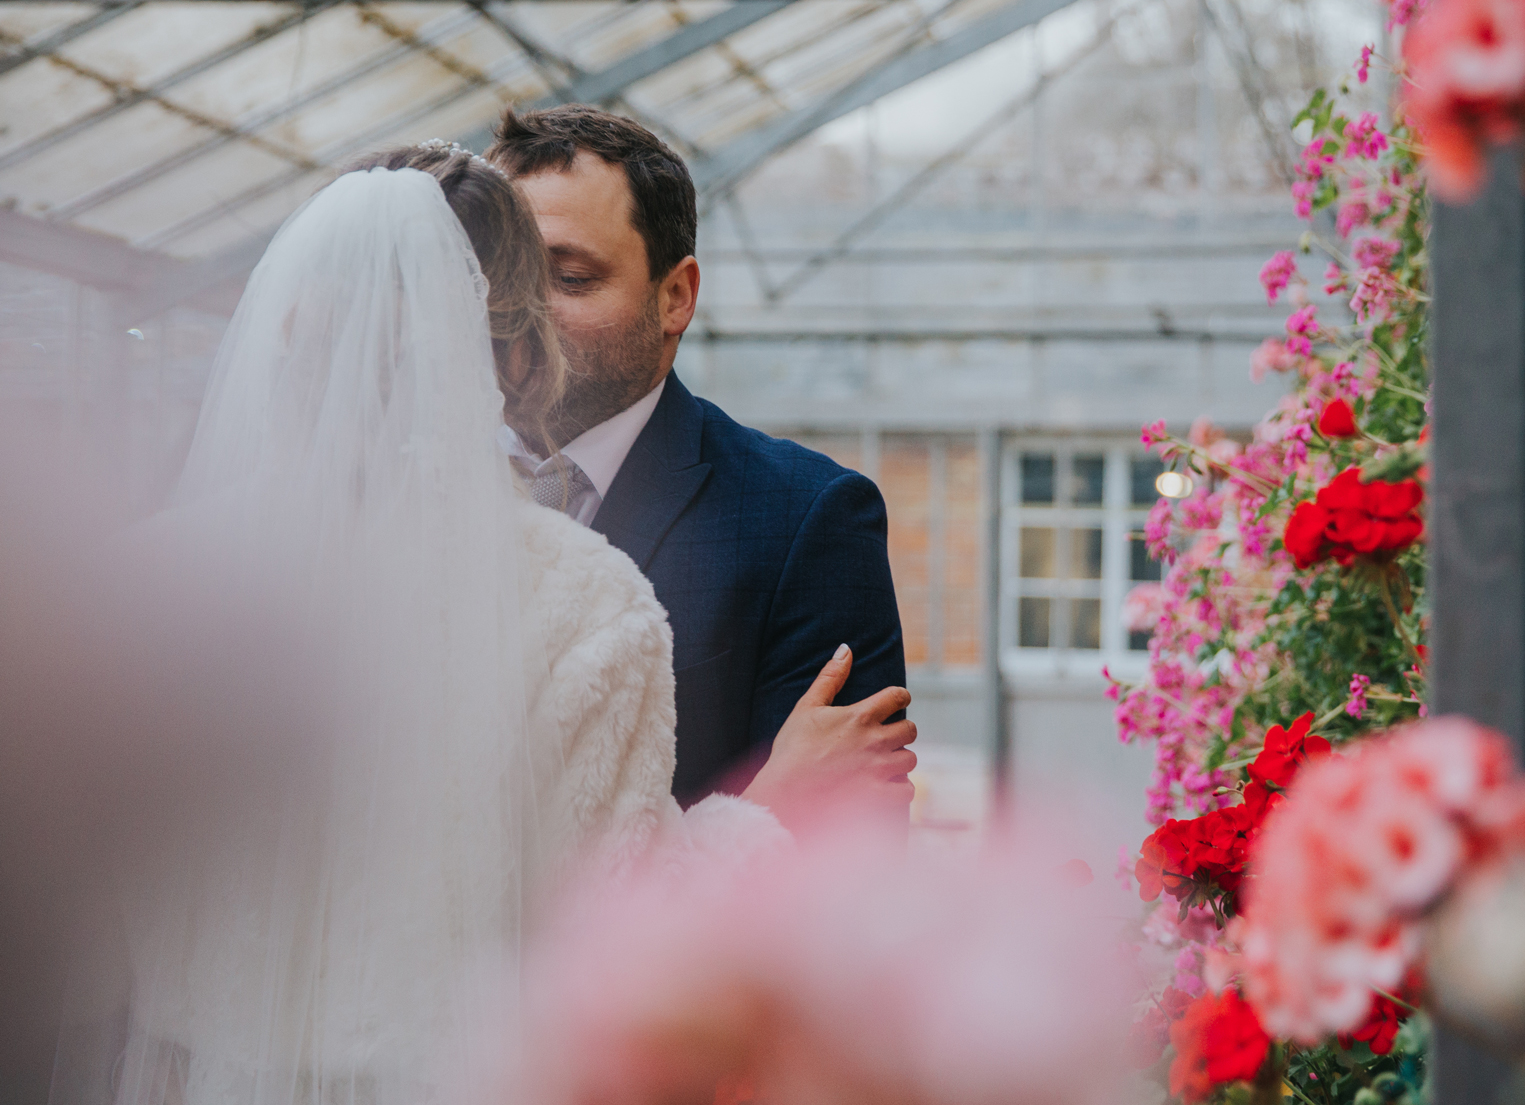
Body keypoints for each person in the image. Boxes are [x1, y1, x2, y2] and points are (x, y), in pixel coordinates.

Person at [51, 148, 866, 1105]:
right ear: (523, 357)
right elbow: (617, 946)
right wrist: (762, 820)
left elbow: (80, 937)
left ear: (286, 330)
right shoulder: (584, 602)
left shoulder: (141, 585)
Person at [486, 106, 915, 819]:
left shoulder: (805, 519)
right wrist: (768, 801)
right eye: (504, 279)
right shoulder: (400, 492)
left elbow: (847, 860)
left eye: (568, 277)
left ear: (675, 297)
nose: (522, 313)